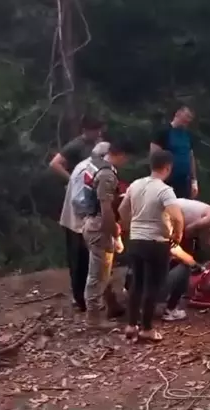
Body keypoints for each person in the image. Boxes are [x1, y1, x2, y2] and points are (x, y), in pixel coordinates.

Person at [118, 150, 184, 342]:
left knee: (136, 283)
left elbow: (122, 209)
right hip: (156, 242)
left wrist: (131, 226)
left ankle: (131, 325)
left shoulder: (135, 185)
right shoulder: (164, 190)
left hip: (136, 240)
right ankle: (146, 328)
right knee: (152, 286)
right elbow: (177, 217)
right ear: (168, 168)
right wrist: (177, 235)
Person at [80, 136, 135, 329]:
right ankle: (93, 318)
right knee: (98, 275)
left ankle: (104, 309)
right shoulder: (106, 175)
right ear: (121, 154)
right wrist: (114, 232)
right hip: (99, 226)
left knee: (101, 271)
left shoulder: (95, 164)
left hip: (90, 220)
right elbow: (105, 209)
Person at [60, 142, 110, 312]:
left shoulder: (89, 166)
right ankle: (82, 301)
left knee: (85, 261)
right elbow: (78, 200)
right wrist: (92, 216)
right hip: (78, 222)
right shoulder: (87, 169)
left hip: (80, 221)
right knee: (81, 262)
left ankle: (84, 299)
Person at [150, 105, 199, 199]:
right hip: (166, 179)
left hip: (184, 181)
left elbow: (190, 156)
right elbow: (154, 155)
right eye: (186, 116)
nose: (187, 120)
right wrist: (156, 178)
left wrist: (194, 180)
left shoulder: (188, 135)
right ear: (178, 114)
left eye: (190, 118)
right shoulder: (163, 131)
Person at [49, 115, 105, 181]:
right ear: (85, 130)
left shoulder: (98, 143)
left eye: (99, 130)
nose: (98, 134)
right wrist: (72, 180)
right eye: (95, 131)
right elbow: (54, 163)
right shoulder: (76, 145)